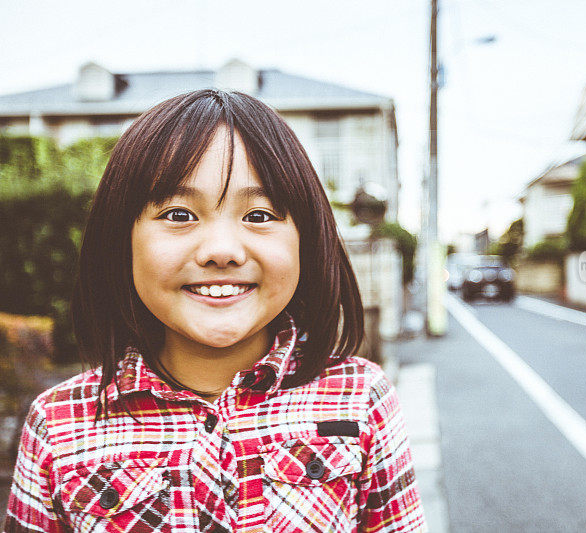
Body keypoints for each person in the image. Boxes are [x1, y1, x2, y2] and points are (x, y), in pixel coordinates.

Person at [3, 90, 426, 532]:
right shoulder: (58, 424)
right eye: (179, 214)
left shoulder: (360, 398)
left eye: (260, 215)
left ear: (307, 239)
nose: (222, 250)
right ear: (120, 241)